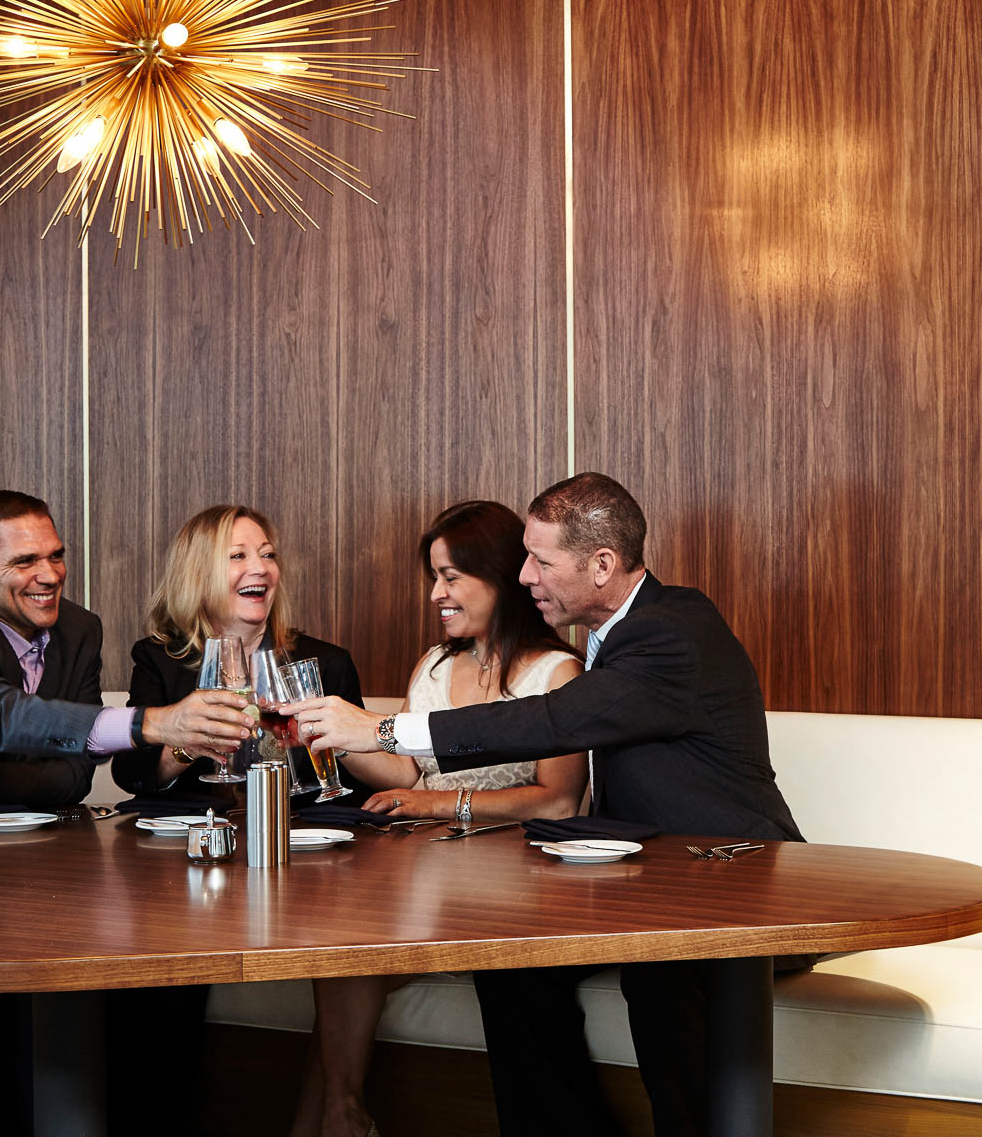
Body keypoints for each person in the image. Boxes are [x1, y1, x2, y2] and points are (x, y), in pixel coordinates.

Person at [294, 473, 801, 1137]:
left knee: (664, 987)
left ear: (601, 565)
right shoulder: (612, 635)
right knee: (514, 967)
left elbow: (552, 721)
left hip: (734, 887)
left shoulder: (670, 631)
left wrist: (383, 729)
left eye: (540, 560)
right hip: (648, 886)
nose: (524, 574)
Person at [291, 500, 583, 1137]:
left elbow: (558, 801)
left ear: (500, 578)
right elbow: (405, 774)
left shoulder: (559, 673)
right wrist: (326, 732)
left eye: (450, 577)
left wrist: (438, 803)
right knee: (340, 937)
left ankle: (335, 1118)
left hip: (515, 887)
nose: (435, 594)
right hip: (424, 875)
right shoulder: (435, 664)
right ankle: (344, 1114)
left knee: (351, 942)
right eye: (434, 577)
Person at [0, 490, 257, 827]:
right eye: (25, 561)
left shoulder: (78, 629)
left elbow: (74, 777)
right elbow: (8, 719)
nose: (51, 575)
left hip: (29, 849)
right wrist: (159, 723)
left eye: (55, 555)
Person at [110, 504, 366, 802]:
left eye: (267, 555)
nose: (261, 568)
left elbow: (359, 787)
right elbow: (131, 774)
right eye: (237, 556)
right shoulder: (159, 659)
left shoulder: (328, 663)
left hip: (300, 827)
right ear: (198, 575)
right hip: (196, 827)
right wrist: (187, 746)